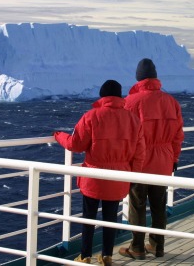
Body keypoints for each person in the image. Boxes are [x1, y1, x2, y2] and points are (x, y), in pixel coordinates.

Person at [53, 79, 146, 265]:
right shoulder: (133, 119)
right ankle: (106, 257)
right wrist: (132, 176)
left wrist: (59, 135)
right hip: (119, 176)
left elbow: (76, 144)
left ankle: (85, 256)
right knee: (110, 218)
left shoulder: (91, 116)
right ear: (120, 96)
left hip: (94, 177)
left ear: (102, 96)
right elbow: (140, 152)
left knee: (89, 217)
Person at [119, 58, 184, 260]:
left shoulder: (130, 103)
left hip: (139, 161)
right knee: (159, 205)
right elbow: (177, 135)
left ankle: (137, 247)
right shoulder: (171, 102)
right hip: (164, 160)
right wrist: (174, 158)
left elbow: (125, 135)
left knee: (137, 204)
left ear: (138, 78)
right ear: (155, 77)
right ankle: (157, 246)